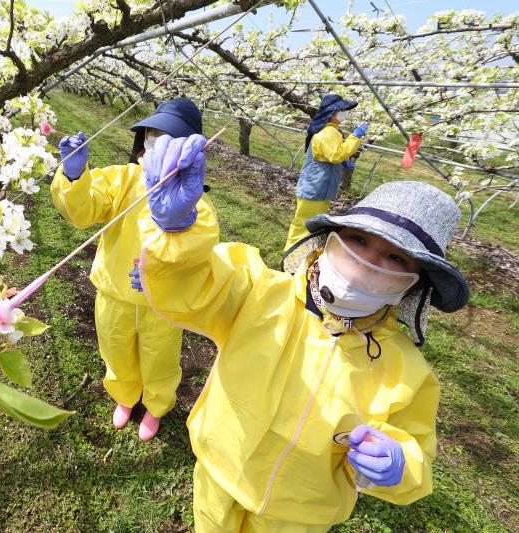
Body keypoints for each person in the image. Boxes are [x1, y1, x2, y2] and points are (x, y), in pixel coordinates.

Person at [130, 133, 470, 532]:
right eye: (358, 240)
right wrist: (177, 231)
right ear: (330, 240)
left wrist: (400, 466)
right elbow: (194, 288)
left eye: (394, 257)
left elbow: (416, 453)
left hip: (300, 514)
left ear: (413, 284)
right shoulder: (261, 292)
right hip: (219, 471)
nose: (366, 263)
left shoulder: (407, 373)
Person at [50, 98, 218, 441]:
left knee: (161, 359)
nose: (157, 140)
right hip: (114, 292)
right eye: (153, 132)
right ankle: (125, 396)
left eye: (168, 135)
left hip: (162, 303)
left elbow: (200, 247)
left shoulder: (195, 198)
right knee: (115, 349)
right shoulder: (123, 179)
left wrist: (165, 257)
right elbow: (84, 212)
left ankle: (156, 406)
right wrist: (74, 175)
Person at [284, 94, 369, 252]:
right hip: (315, 187)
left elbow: (328, 154)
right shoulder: (327, 133)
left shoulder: (332, 131)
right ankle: (292, 254)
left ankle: (303, 252)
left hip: (320, 187)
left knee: (311, 222)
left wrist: (344, 161)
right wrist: (354, 138)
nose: (346, 113)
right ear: (333, 112)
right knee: (304, 223)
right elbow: (335, 155)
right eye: (343, 110)